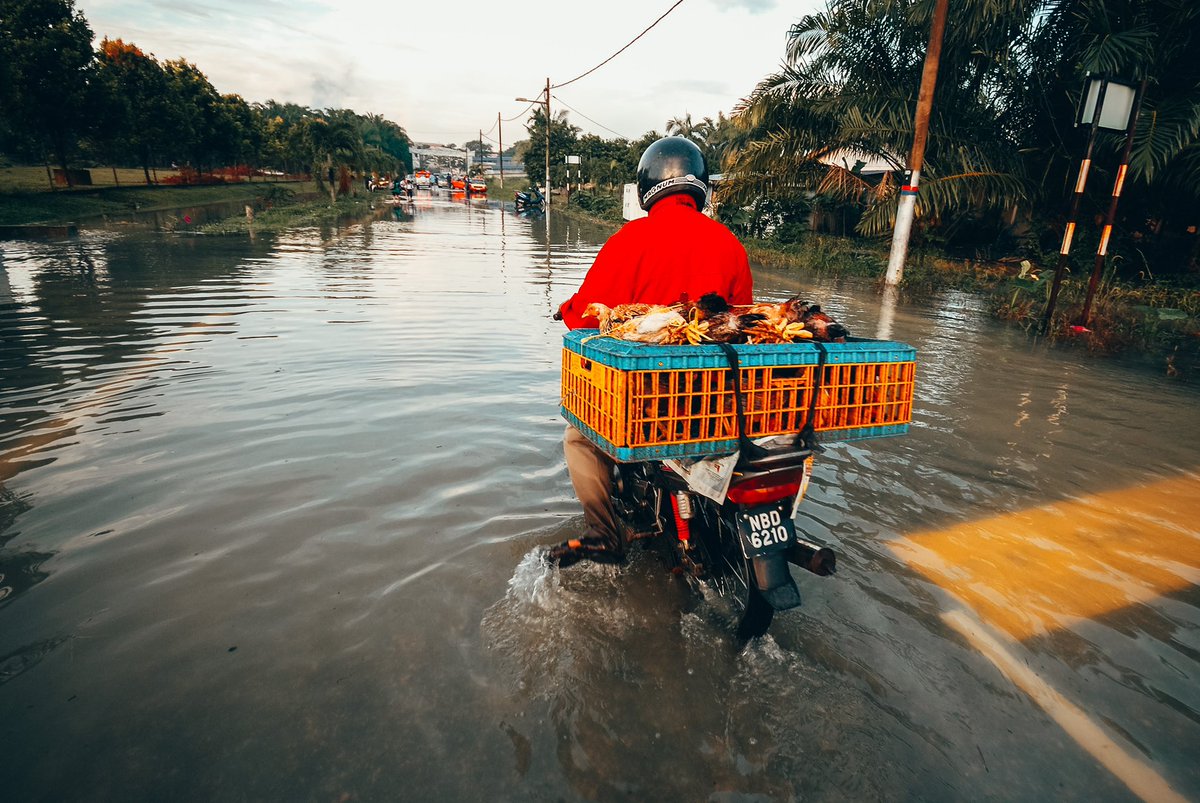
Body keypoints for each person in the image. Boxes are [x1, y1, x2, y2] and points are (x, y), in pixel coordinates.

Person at [549, 136, 753, 567]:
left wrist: (566, 311)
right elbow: (741, 321)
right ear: (700, 186)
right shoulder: (730, 244)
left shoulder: (632, 239)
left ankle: (603, 534)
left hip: (647, 396)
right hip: (713, 396)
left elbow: (589, 313)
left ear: (648, 185)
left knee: (579, 436)